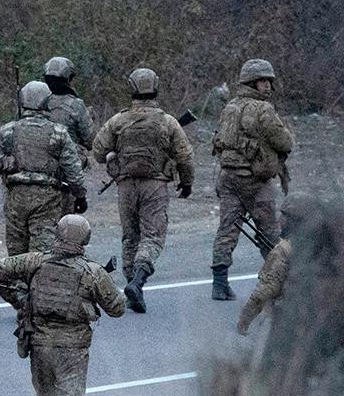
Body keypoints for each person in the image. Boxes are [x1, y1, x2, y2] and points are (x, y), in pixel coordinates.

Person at [0, 214, 126, 396]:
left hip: (39, 346)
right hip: (72, 351)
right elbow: (117, 308)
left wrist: (20, 301)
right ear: (85, 239)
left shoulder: (35, 261)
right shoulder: (92, 272)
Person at [91, 68, 195, 313]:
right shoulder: (167, 121)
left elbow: (98, 151)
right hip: (155, 186)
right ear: (155, 88)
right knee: (152, 237)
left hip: (126, 186)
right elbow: (185, 157)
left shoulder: (118, 121)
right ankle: (137, 281)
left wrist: (114, 154)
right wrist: (186, 182)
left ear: (132, 88)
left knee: (130, 236)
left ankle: (131, 286)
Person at [211, 59, 294, 300]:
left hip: (228, 178)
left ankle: (219, 284)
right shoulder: (263, 109)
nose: (267, 85)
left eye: (268, 81)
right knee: (269, 232)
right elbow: (284, 142)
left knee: (227, 230)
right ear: (251, 83)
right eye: (262, 81)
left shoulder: (230, 107)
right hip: (255, 182)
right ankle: (278, 282)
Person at [0, 81, 86, 256]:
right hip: (47, 200)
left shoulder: (8, 131)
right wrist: (80, 196)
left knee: (16, 256)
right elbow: (73, 172)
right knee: (41, 256)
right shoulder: (59, 133)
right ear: (47, 101)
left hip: (16, 199)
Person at [237, 193, 313, 335]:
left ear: (293, 220)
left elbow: (267, 289)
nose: (279, 220)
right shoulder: (320, 244)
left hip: (292, 319)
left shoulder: (284, 249)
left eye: (284, 216)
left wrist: (245, 317)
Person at [43, 56, 96, 153]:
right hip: (67, 157)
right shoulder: (76, 105)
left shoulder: (38, 101)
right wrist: (89, 118)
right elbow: (91, 141)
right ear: (69, 78)